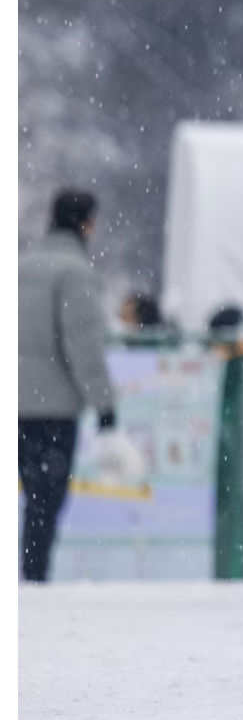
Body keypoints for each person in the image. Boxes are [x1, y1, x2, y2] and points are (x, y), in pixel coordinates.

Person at [20, 189, 118, 582]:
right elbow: (85, 348)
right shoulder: (74, 272)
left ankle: (31, 570)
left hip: (17, 404)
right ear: (86, 223)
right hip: (55, 406)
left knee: (32, 493)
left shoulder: (20, 266)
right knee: (48, 498)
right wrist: (105, 406)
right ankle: (35, 574)